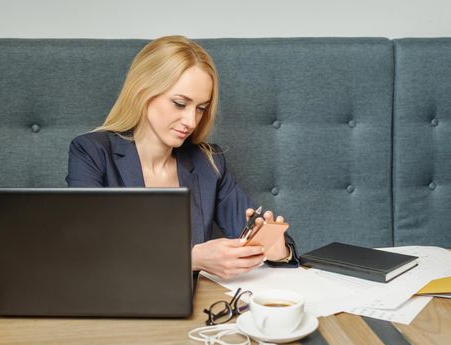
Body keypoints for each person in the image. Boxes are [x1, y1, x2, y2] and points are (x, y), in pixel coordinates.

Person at [66, 35, 299, 279]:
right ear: (143, 91)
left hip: (195, 308)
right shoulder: (92, 152)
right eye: (179, 103)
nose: (191, 122)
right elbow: (86, 251)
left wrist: (275, 249)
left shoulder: (209, 163)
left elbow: (259, 238)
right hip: (114, 303)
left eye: (200, 108)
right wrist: (192, 259)